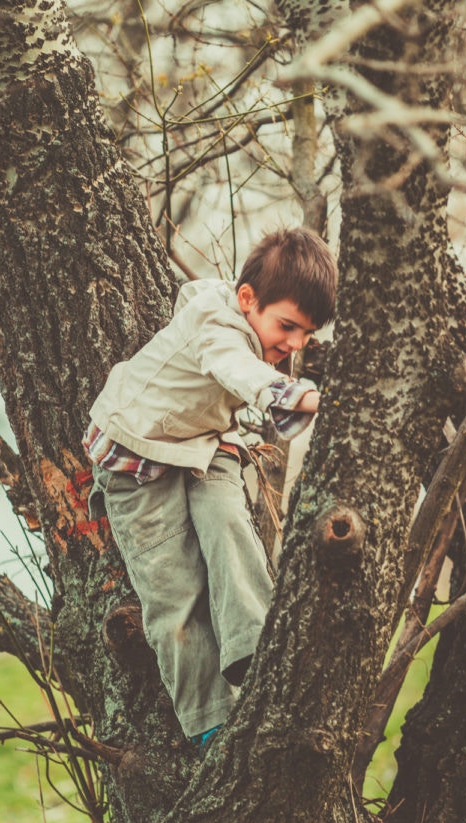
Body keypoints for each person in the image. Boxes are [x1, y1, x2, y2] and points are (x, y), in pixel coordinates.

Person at [84, 227, 337, 752]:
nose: (294, 344)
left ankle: (257, 648)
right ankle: (210, 719)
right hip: (138, 460)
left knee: (228, 526)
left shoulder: (258, 330)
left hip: (202, 446)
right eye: (287, 326)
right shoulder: (217, 324)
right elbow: (234, 367)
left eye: (306, 335)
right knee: (173, 587)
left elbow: (237, 391)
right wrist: (292, 393)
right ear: (248, 299)